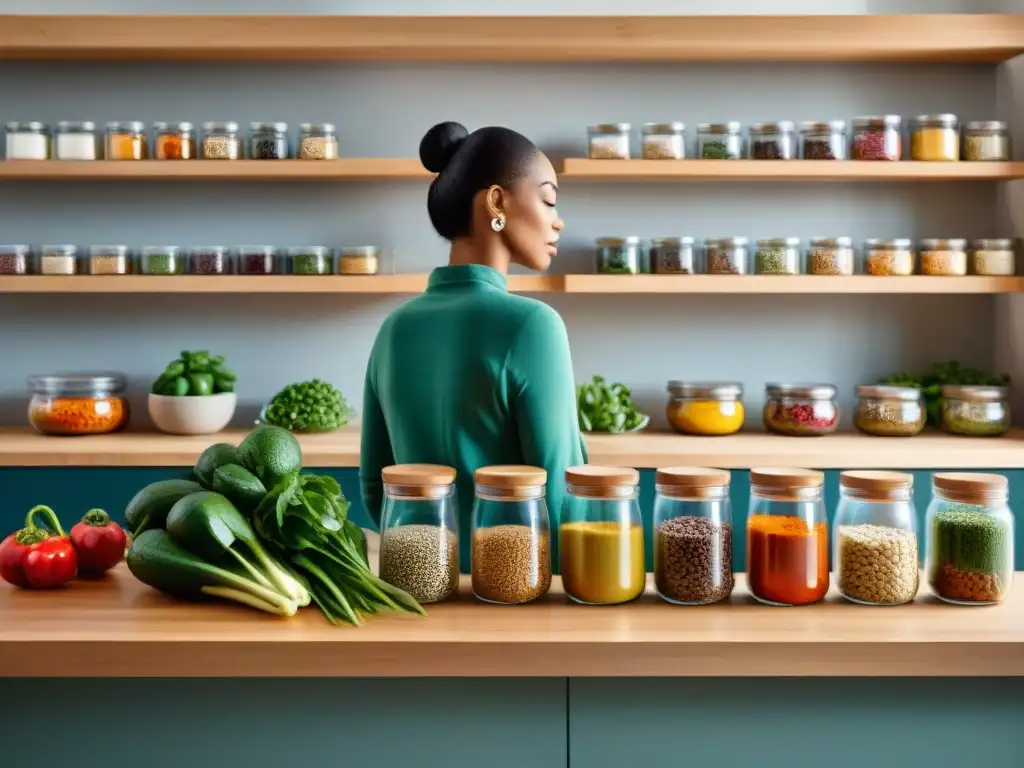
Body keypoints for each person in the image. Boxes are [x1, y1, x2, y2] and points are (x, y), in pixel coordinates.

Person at [360, 121, 586, 569]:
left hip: (422, 583)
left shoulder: (394, 327)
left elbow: (376, 489)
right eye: (548, 199)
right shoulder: (533, 326)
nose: (557, 220)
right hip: (517, 587)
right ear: (497, 201)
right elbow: (562, 497)